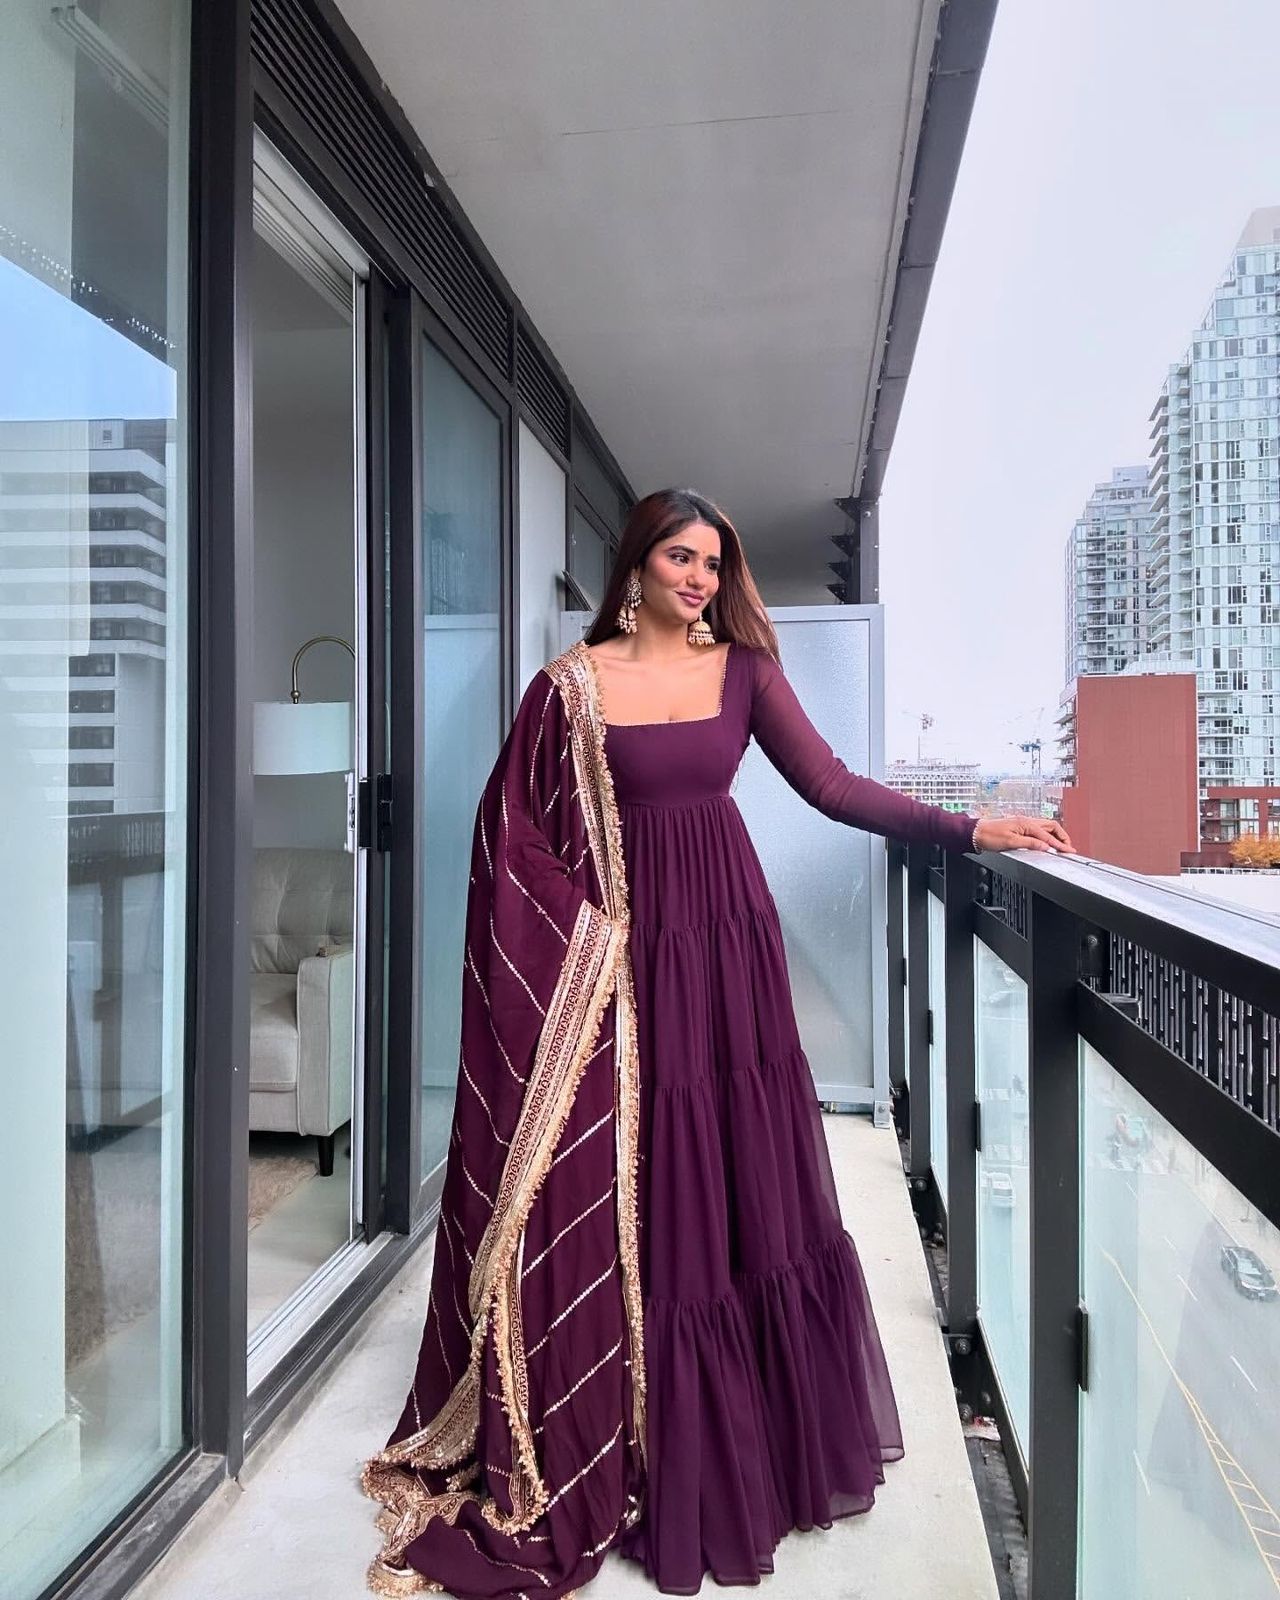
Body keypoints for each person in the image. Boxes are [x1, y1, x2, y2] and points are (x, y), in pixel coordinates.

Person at [362, 489, 1075, 1597]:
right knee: (635, 1170)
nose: (699, 578)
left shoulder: (743, 670)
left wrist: (968, 826)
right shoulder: (568, 688)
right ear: (636, 565)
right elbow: (512, 838)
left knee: (733, 1174)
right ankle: (629, 1428)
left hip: (726, 950)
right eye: (679, 558)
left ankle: (741, 1445)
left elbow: (830, 785)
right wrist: (583, 943)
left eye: (712, 562)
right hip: (620, 964)